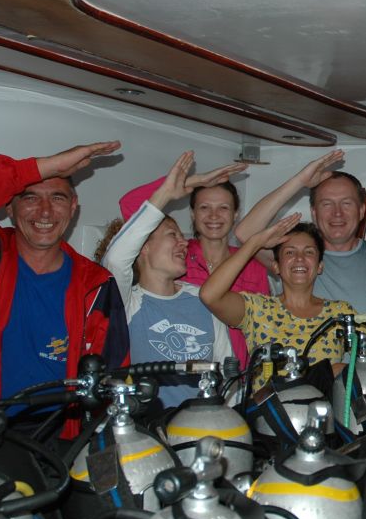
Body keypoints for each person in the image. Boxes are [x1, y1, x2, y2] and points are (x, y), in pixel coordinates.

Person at [0, 142, 129, 417]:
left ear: (73, 206)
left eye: (57, 198)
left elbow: (111, 378)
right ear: (9, 206)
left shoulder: (96, 284)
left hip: (56, 433)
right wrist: (44, 166)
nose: (45, 211)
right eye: (30, 198)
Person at [118, 152, 342, 369]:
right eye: (204, 208)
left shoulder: (251, 265)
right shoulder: (177, 259)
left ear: (235, 214)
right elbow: (130, 206)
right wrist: (189, 183)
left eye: (223, 208)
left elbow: (262, 327)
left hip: (238, 377)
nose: (214, 216)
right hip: (188, 370)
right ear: (193, 214)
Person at [99, 152, 236, 409]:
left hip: (202, 424)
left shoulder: (202, 297)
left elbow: (228, 375)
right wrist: (166, 194)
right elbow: (115, 260)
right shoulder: (128, 302)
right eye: (173, 234)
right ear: (144, 246)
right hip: (148, 424)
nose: (184, 243)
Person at [201, 219, 366, 391]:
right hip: (269, 413)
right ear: (276, 266)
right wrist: (254, 244)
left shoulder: (339, 313)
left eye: (309, 252)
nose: (299, 258)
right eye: (290, 252)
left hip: (324, 412)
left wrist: (343, 370)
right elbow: (210, 296)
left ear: (320, 266)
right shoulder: (257, 308)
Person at [236, 156, 366, 315]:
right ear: (314, 213)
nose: (337, 213)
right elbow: (245, 233)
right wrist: (299, 181)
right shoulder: (296, 257)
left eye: (346, 203)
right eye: (327, 204)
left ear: (362, 211)